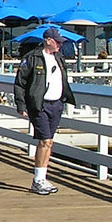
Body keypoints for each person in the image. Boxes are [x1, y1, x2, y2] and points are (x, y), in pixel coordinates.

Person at [13, 29, 70, 195]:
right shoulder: (32, 57)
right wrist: (21, 105)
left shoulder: (59, 58)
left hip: (56, 104)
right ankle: (37, 180)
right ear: (48, 40)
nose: (60, 44)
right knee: (44, 141)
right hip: (39, 105)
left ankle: (43, 177)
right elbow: (20, 83)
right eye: (57, 41)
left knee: (49, 142)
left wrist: (64, 99)